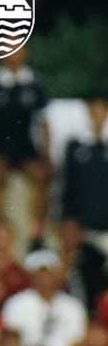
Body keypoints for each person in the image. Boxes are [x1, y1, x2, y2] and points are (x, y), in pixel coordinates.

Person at [0, 46, 51, 240]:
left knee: (42, 177)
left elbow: (44, 124)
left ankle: (37, 231)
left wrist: (46, 156)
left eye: (17, 49)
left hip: (25, 149)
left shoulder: (35, 83)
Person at [1, 248, 87, 346]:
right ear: (32, 276)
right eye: (41, 273)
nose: (46, 278)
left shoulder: (73, 306)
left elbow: (78, 341)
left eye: (50, 273)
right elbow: (10, 341)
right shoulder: (16, 303)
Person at [61, 94, 108, 243]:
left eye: (101, 111)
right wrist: (69, 218)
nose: (97, 116)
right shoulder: (75, 145)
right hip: (83, 227)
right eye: (94, 111)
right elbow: (68, 185)